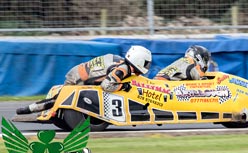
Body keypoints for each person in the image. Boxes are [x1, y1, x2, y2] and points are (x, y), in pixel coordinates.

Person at [16, 45, 152, 114]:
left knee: (60, 100)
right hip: (80, 78)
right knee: (58, 100)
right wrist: (123, 87)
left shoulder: (119, 60)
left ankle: (29, 109)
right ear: (138, 60)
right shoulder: (123, 69)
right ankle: (29, 109)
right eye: (146, 63)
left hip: (78, 72)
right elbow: (106, 85)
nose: (147, 66)